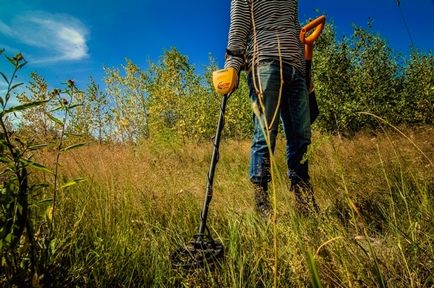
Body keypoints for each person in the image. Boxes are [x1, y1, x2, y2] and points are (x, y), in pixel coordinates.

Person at [224, 0, 319, 216]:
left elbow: (295, 31)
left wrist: (306, 73)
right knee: (265, 134)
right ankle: (262, 202)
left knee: (301, 138)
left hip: (296, 70)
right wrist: (233, 66)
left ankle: (303, 200)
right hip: (264, 61)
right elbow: (239, 26)